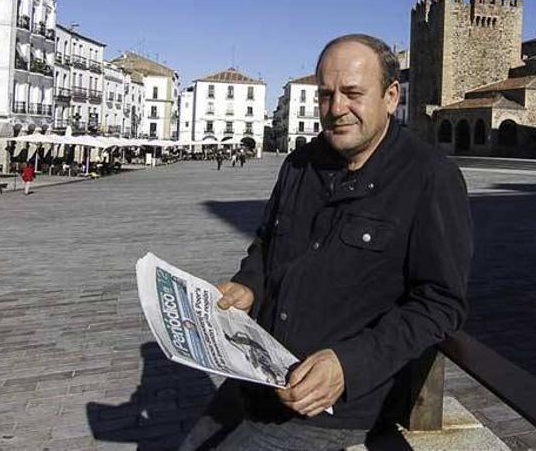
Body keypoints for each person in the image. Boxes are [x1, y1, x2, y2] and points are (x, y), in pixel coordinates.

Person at [182, 34, 472, 450]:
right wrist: (248, 285)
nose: (336, 109)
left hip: (337, 409)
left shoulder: (429, 178)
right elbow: (265, 244)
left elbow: (441, 303)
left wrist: (348, 366)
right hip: (258, 377)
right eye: (326, 95)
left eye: (353, 93)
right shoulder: (300, 163)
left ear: (391, 97)